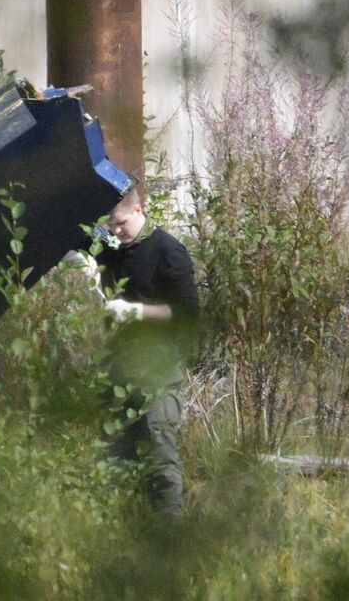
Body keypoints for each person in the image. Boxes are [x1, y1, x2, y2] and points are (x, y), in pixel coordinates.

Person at [90, 182, 198, 516]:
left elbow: (186, 314)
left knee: (158, 451)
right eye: (111, 226)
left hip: (159, 369)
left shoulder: (168, 251)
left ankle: (170, 537)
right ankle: (115, 532)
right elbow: (77, 239)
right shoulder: (109, 243)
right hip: (118, 366)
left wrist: (136, 311)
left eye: (121, 223)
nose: (116, 231)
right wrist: (82, 262)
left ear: (139, 210)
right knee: (113, 454)